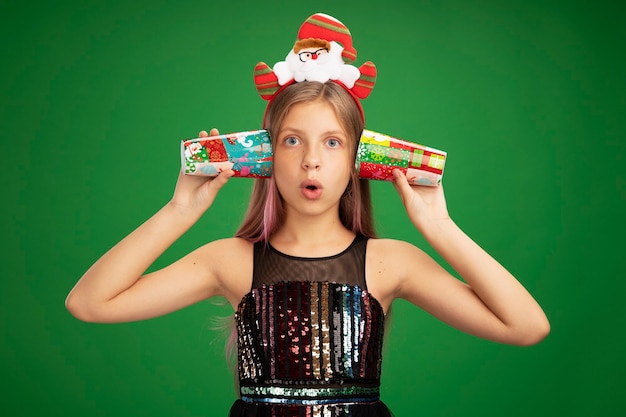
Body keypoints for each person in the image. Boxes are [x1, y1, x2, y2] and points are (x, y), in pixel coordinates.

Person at [66, 13, 550, 417]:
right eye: (292, 140)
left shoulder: (391, 262)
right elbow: (89, 303)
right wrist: (179, 210)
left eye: (332, 142)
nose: (311, 160)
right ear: (266, 155)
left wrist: (440, 229)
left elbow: (527, 327)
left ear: (358, 160)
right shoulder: (230, 260)